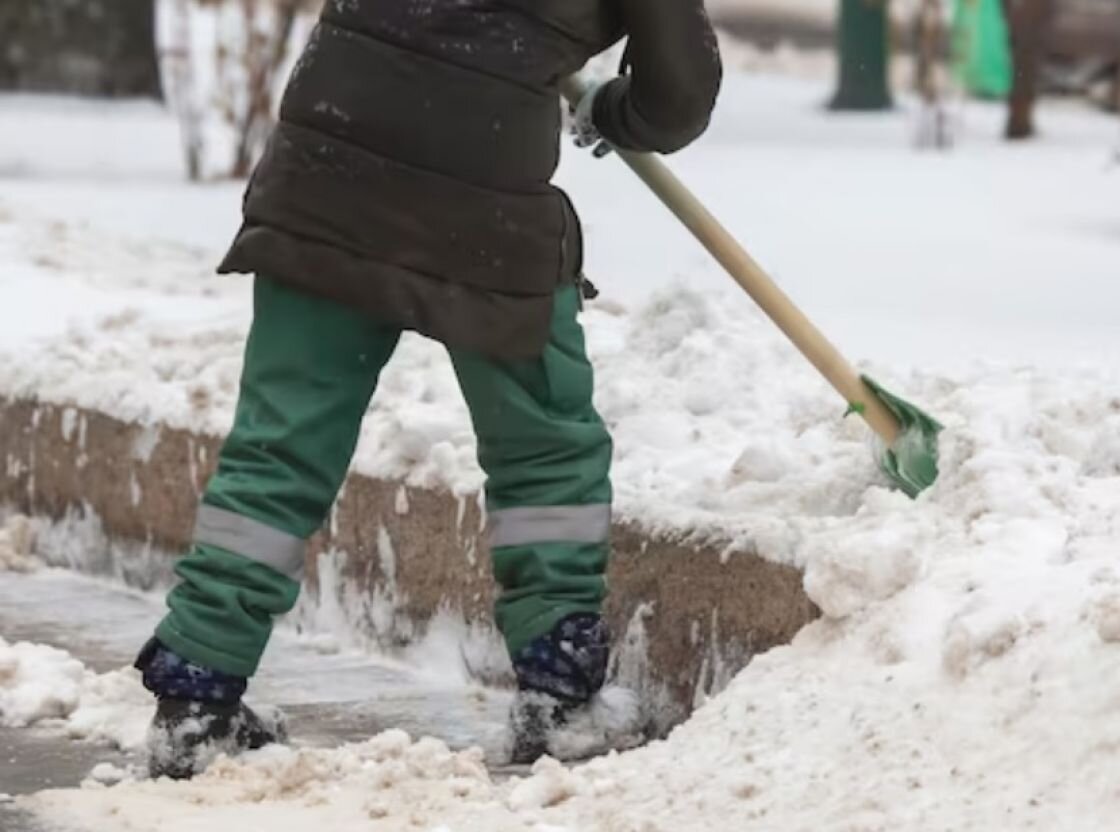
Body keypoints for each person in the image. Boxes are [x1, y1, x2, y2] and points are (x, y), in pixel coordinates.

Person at [134, 0, 722, 778]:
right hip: (480, 195)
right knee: (542, 444)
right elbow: (677, 97)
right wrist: (611, 107)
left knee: (282, 444)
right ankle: (559, 696)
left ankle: (195, 698)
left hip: (326, 163)